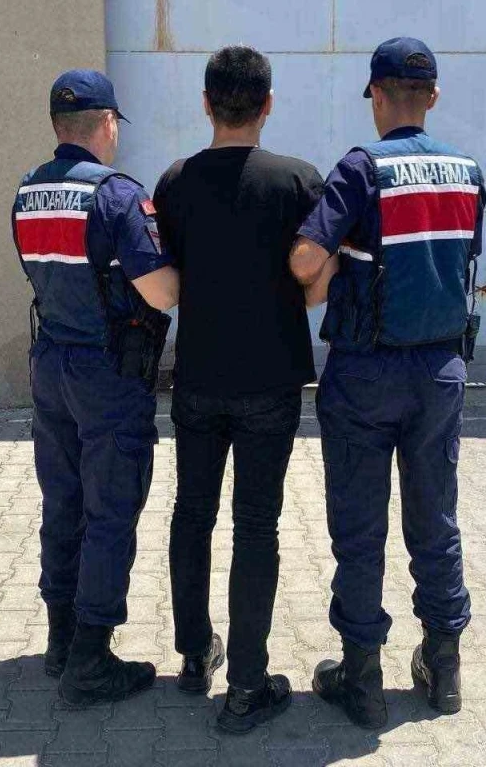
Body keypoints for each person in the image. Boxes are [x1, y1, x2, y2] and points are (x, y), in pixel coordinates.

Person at [289, 37, 485, 728]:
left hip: (366, 373)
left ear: (375, 94)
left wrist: (332, 263)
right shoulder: (467, 172)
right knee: (435, 516)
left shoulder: (360, 168)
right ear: (433, 96)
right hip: (440, 370)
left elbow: (305, 258)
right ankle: (444, 665)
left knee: (359, 524)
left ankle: (362, 676)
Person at [152, 45, 327, 733]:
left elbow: (167, 278)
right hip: (270, 380)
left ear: (206, 104)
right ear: (268, 104)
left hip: (198, 376)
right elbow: (318, 278)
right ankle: (248, 685)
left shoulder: (175, 182)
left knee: (191, 514)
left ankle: (195, 657)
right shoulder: (299, 181)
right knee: (257, 525)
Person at [12, 69, 180, 708]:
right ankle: (90, 659)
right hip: (106, 373)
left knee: (63, 501)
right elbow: (159, 291)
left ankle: (60, 641)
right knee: (110, 510)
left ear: (58, 126)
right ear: (107, 123)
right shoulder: (115, 196)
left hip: (51, 364)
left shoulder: (29, 191)